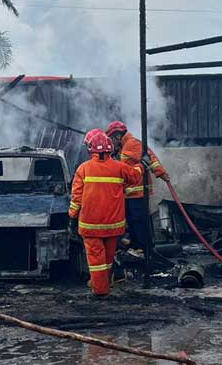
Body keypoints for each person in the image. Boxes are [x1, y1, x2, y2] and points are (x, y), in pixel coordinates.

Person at [69, 129, 143, 297]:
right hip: (113, 226)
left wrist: (72, 216)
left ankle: (100, 290)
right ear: (110, 149)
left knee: (96, 261)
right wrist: (140, 165)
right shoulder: (119, 167)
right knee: (108, 258)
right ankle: (104, 282)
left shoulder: (83, 169)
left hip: (90, 225)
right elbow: (134, 176)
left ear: (91, 150)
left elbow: (76, 197)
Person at [106, 120, 170, 258]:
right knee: (133, 220)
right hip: (130, 193)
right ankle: (136, 245)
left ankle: (143, 248)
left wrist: (161, 173)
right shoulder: (125, 146)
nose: (112, 143)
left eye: (111, 139)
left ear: (118, 136)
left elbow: (151, 158)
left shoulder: (132, 144)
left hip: (137, 192)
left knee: (138, 220)